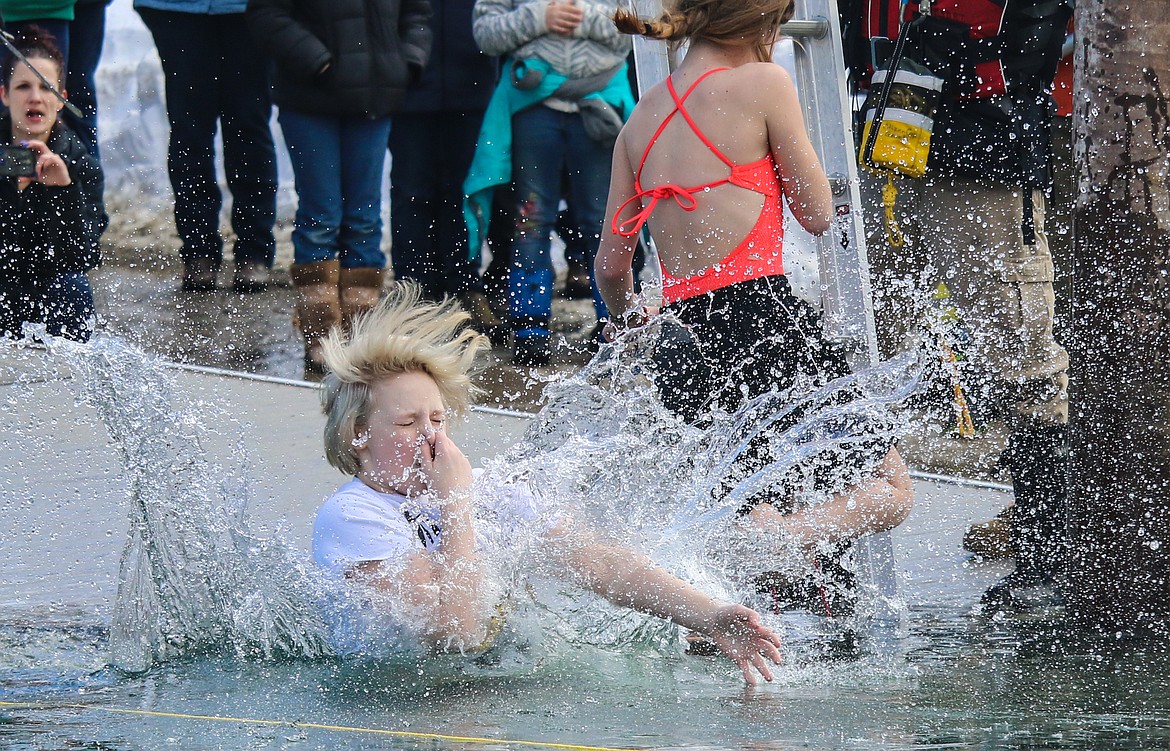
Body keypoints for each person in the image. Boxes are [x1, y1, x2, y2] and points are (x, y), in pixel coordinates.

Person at [594, 0, 913, 609]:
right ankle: (782, 539)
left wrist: (632, 318)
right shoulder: (764, 83)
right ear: (766, 24)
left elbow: (611, 268)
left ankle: (757, 590)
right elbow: (818, 213)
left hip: (682, 341)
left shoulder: (639, 122)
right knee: (887, 488)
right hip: (764, 319)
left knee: (746, 494)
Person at [311, 283, 784, 683]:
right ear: (359, 435)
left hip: (490, 680)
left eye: (437, 418)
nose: (431, 437)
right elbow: (455, 633)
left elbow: (602, 566)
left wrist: (709, 614)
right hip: (400, 701)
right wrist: (456, 501)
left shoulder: (490, 490)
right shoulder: (354, 516)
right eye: (408, 422)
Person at [852, 0, 1073, 607]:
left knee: (1022, 355)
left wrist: (966, 55)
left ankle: (1049, 548)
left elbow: (1041, 40)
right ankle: (832, 549)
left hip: (983, 147)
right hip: (881, 136)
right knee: (861, 346)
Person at [246, 0, 431, 377]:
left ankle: (362, 334)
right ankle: (322, 335)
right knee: (321, 215)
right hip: (310, 95)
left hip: (375, 95)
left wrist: (406, 61)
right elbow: (268, 14)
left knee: (364, 217)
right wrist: (318, 61)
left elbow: (418, 14)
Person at [469, 0, 636, 366]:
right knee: (530, 220)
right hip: (532, 109)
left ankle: (615, 328)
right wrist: (539, 16)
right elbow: (485, 33)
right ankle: (530, 330)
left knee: (603, 221)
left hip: (602, 104)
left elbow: (644, 29)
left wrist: (584, 18)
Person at [135, 0, 278, 293]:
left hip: (251, 9)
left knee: (249, 124)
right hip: (175, 9)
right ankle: (198, 251)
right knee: (189, 131)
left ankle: (254, 251)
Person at [388, 0, 507, 344]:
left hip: (473, 80)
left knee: (464, 192)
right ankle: (412, 293)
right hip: (408, 83)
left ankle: (463, 287)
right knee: (411, 192)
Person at [0, 25, 106, 341]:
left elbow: (83, 259)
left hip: (47, 295)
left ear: (61, 99)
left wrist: (63, 192)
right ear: (4, 95)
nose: (35, 97)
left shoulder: (80, 164)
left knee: (73, 288)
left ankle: (66, 378)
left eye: (47, 87)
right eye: (23, 87)